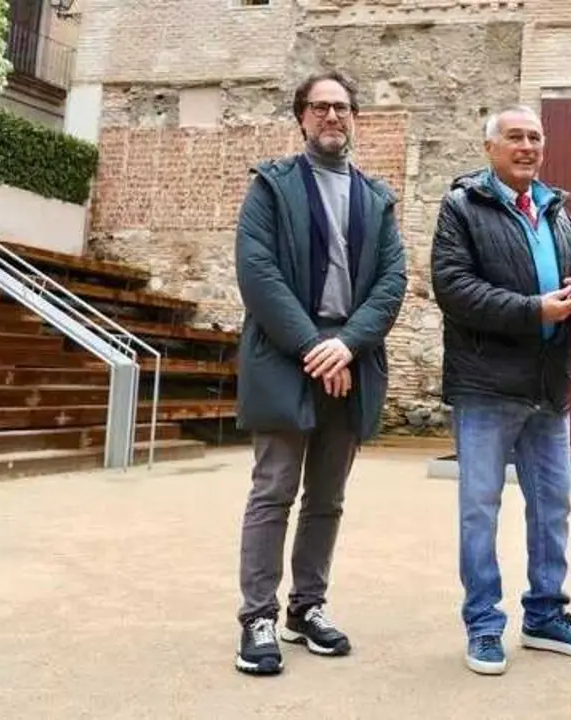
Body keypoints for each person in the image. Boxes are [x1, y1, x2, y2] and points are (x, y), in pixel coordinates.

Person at [231, 70, 407, 676]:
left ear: (355, 117)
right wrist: (315, 347)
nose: (332, 116)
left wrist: (348, 346)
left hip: (351, 359)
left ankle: (307, 609)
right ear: (301, 118)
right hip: (286, 355)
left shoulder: (377, 197)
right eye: (320, 107)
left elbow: (392, 284)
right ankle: (258, 615)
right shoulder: (271, 188)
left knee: (327, 497)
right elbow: (257, 274)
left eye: (342, 107)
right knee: (274, 488)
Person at [429, 105, 571, 676]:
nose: (527, 146)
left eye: (535, 137)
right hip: (486, 386)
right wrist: (535, 310)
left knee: (552, 507)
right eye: (515, 137)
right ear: (490, 148)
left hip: (548, 386)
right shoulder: (461, 207)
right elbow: (455, 288)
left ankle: (546, 615)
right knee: (479, 511)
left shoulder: (558, 210)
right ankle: (484, 625)